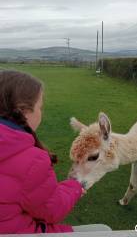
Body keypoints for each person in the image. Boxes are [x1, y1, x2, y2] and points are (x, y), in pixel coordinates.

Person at [0, 70, 111, 234]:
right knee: (104, 230)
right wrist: (75, 187)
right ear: (22, 110)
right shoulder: (32, 161)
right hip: (19, 232)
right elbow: (52, 210)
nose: (41, 113)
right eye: (40, 107)